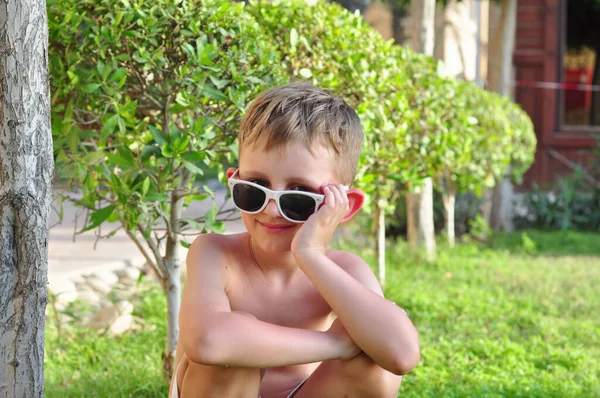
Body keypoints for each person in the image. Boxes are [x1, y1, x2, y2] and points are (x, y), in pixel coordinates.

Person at [170, 82, 420, 398]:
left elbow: (400, 355)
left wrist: (311, 254)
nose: (271, 210)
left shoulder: (345, 269)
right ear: (235, 181)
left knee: (373, 358)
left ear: (344, 206)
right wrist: (339, 344)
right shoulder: (214, 253)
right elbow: (208, 342)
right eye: (255, 188)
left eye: (298, 195)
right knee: (235, 344)